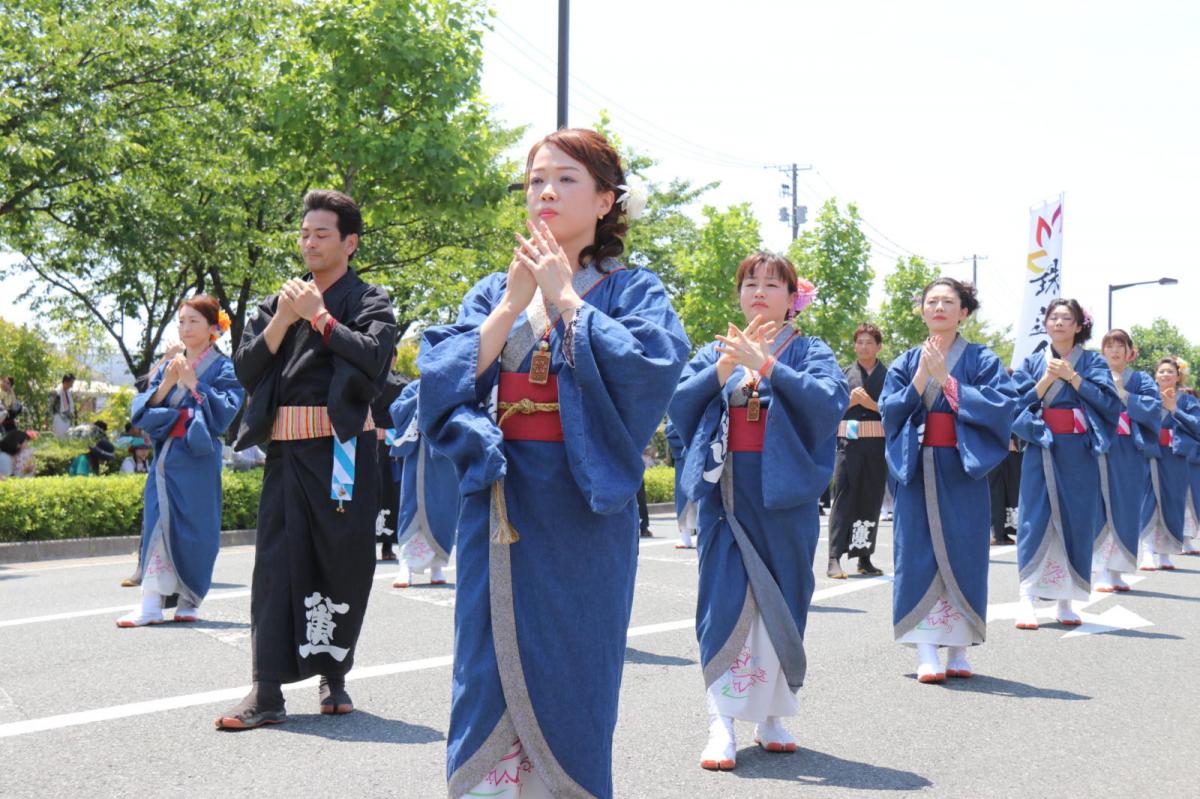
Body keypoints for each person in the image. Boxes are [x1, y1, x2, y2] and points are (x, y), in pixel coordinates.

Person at [418, 128, 687, 798]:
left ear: (604, 200)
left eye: (566, 179)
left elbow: (655, 367)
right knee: (485, 664)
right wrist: (514, 303)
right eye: (537, 178)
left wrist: (567, 300)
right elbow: (442, 381)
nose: (545, 190)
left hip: (582, 500)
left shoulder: (632, 289)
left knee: (576, 663)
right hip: (501, 493)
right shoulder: (492, 289)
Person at [216, 189, 396, 730]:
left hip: (345, 451)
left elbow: (373, 358)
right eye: (304, 233)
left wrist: (319, 319)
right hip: (288, 455)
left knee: (342, 561)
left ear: (350, 243)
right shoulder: (279, 301)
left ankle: (334, 679)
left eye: (322, 233)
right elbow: (247, 372)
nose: (309, 242)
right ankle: (265, 691)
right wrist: (284, 320)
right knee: (273, 567)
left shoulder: (370, 300)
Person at [670, 251, 846, 770]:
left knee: (785, 601)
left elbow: (828, 400)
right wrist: (722, 370)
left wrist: (768, 366)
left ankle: (772, 714)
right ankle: (719, 722)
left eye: (773, 283)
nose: (759, 291)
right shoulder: (716, 349)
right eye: (750, 282)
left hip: (783, 494)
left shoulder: (810, 349)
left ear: (793, 298)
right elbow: (677, 406)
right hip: (727, 495)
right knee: (722, 602)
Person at [879, 278, 1017, 682]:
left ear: (964, 312)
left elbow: (1001, 405)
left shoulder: (982, 359)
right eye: (931, 301)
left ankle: (959, 647)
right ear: (922, 310)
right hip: (917, 465)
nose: (938, 307)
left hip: (961, 467)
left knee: (966, 549)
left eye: (948, 302)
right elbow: (890, 412)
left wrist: (950, 382)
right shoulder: (906, 361)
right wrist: (923, 377)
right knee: (915, 552)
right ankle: (925, 649)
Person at [117, 295, 244, 627]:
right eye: (182, 321)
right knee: (159, 521)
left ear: (214, 328)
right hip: (167, 458)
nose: (185, 328)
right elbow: (143, 410)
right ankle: (150, 602)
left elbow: (224, 414)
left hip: (199, 460)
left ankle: (190, 598)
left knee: (197, 528)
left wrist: (193, 383)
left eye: (194, 321)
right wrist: (171, 383)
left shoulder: (225, 367)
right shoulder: (169, 364)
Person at [1011, 299, 1120, 630]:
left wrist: (1073, 377)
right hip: (1041, 446)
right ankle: (1026, 598)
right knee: (1034, 519)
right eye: (1053, 317)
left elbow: (1108, 404)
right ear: (1045, 323)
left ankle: (1066, 600)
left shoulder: (1092, 362)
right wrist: (1044, 380)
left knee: (1075, 519)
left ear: (1078, 325)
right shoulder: (1032, 362)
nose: (1058, 322)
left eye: (1066, 318)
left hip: (1077, 451)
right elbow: (1014, 405)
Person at [1091, 331, 1160, 591]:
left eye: (1121, 345)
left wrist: (1124, 394)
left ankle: (1117, 570)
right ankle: (1101, 569)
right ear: (1103, 351)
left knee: (1127, 506)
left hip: (1129, 449)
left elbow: (1153, 409)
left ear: (1130, 351)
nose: (1115, 350)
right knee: (1100, 505)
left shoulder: (1140, 379)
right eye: (1109, 346)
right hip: (1100, 447)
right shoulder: (1092, 377)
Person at [827, 323, 888, 578]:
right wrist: (848, 402)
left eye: (869, 342)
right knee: (844, 497)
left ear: (878, 346)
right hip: (848, 445)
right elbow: (829, 406)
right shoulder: (843, 374)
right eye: (859, 342)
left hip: (876, 445)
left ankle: (864, 557)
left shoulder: (889, 376)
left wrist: (871, 405)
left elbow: (897, 408)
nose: (864, 346)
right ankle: (834, 558)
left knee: (870, 499)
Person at [389, 379, 458, 588]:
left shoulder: (455, 383)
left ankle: (437, 566)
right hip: (418, 455)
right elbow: (396, 409)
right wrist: (420, 399)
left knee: (444, 511)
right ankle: (405, 567)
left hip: (445, 457)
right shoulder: (415, 386)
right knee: (413, 508)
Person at [1141, 357, 1200, 571]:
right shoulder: (1146, 397)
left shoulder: (1187, 400)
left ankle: (1165, 552)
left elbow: (1197, 425)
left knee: (1172, 502)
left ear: (1178, 376)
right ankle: (1148, 552)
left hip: (1175, 456)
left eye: (1170, 372)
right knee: (1148, 502)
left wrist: (1174, 409)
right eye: (1162, 371)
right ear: (1155, 375)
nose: (1165, 375)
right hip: (1150, 453)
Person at [372, 357, 407, 561]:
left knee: (387, 493)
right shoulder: (402, 383)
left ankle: (382, 546)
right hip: (386, 444)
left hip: (384, 445)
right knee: (387, 493)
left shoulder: (369, 379)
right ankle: (386, 547)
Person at [665, 420, 698, 549]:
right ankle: (688, 536)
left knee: (686, 497)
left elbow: (671, 431)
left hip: (686, 455)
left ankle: (686, 537)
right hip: (698, 453)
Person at [50, 374, 76, 438]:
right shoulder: (56, 392)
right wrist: (46, 422)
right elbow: (49, 406)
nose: (72, 385)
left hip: (67, 419)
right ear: (65, 382)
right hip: (58, 418)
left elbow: (71, 407)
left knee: (66, 438)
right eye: (71, 383)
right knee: (58, 438)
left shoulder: (69, 393)